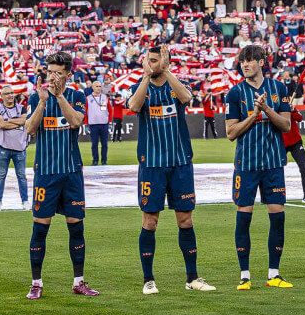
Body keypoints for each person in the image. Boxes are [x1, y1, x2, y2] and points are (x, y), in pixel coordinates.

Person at [127, 45, 215, 294]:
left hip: (180, 162)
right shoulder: (140, 86)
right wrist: (146, 76)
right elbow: (134, 106)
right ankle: (148, 279)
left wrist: (168, 71)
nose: (151, 64)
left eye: (155, 61)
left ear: (164, 62)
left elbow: (187, 98)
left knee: (185, 220)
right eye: (149, 60)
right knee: (150, 221)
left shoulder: (175, 85)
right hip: (152, 164)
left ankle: (192, 277)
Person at [24, 51, 97, 299]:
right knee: (40, 228)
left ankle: (79, 281)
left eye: (57, 72)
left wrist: (59, 96)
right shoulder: (37, 98)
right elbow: (29, 129)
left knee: (76, 227)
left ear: (68, 73)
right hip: (45, 172)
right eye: (49, 71)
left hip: (71, 171)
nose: (52, 76)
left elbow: (76, 121)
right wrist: (44, 102)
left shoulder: (76, 96)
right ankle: (36, 283)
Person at [224, 44, 294, 291]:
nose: (245, 64)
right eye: (243, 61)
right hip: (247, 165)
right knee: (244, 218)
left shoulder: (279, 89)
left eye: (251, 60)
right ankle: (244, 275)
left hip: (273, 163)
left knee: (277, 217)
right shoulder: (235, 93)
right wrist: (254, 115)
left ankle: (274, 273)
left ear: (262, 62)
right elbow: (231, 133)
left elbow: (286, 125)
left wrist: (266, 109)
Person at [0, 85, 29, 210]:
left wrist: (9, 121)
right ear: (2, 96)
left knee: (22, 176)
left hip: (20, 147)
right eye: (7, 93)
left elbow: (25, 121)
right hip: (3, 147)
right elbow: (0, 124)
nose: (10, 95)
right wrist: (16, 121)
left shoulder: (21, 108)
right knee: (1, 175)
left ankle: (25, 201)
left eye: (12, 93)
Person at [282, 92, 305, 203]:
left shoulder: (291, 108)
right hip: (282, 144)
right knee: (276, 170)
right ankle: (274, 195)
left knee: (304, 168)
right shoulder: (275, 109)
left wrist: (292, 110)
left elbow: (299, 118)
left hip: (296, 142)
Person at [85, 81, 111, 166]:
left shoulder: (105, 97)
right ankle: (95, 160)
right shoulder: (88, 98)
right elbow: (85, 111)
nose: (99, 88)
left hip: (104, 124)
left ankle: (104, 161)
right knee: (94, 144)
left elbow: (110, 110)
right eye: (96, 86)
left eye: (100, 86)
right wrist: (86, 124)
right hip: (93, 124)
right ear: (92, 87)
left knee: (105, 144)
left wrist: (110, 122)